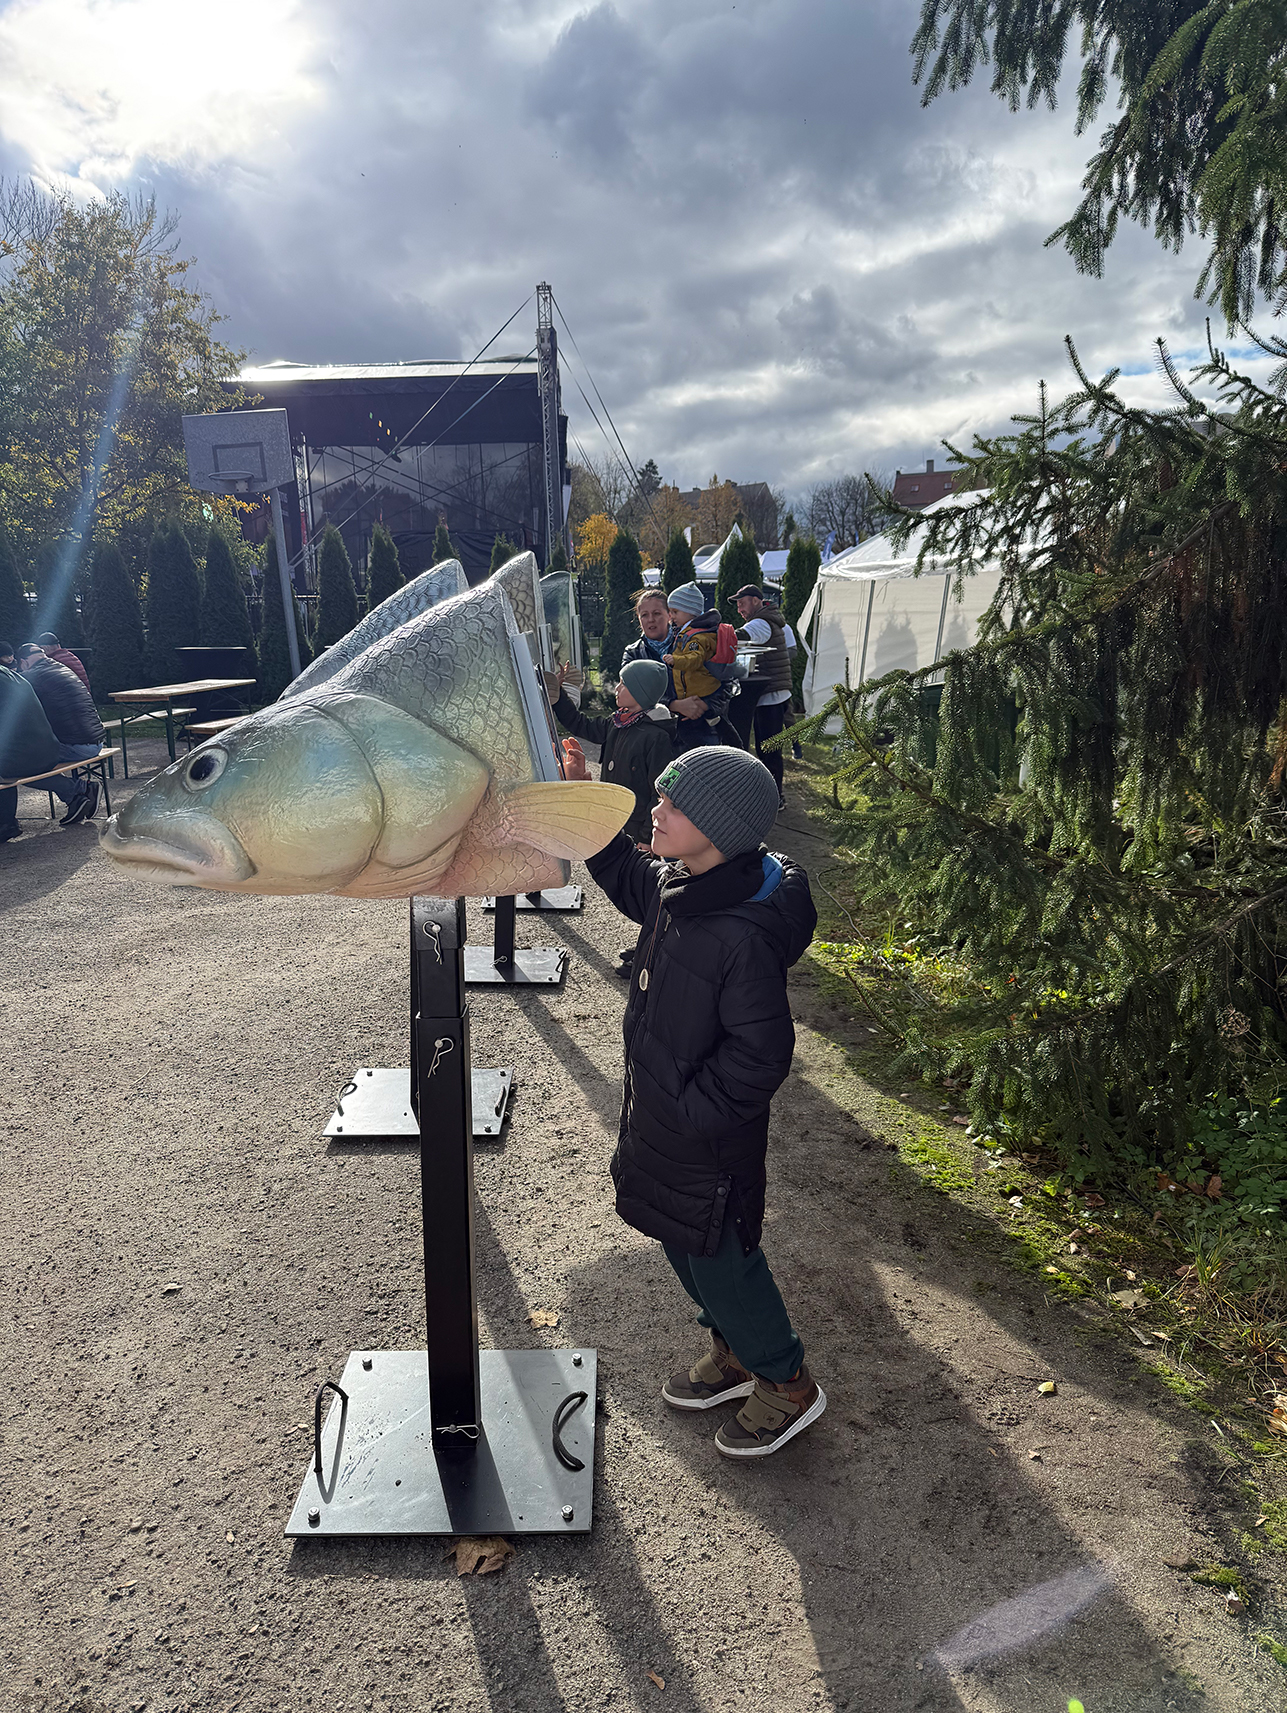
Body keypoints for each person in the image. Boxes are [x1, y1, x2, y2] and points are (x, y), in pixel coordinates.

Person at [584, 745, 825, 1458]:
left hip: (706, 1138)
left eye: (671, 803)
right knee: (677, 1238)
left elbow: (760, 1056)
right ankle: (735, 1351)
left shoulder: (740, 938)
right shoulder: (680, 881)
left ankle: (784, 1380)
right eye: (657, 797)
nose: (653, 809)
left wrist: (692, 1110)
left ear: (717, 829)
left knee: (721, 1255)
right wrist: (588, 822)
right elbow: (632, 875)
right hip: (664, 1118)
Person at [548, 656, 676, 846]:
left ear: (640, 691)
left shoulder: (656, 737)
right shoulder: (617, 722)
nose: (617, 688)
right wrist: (558, 695)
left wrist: (647, 837)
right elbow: (581, 724)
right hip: (613, 819)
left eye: (623, 683)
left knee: (631, 874)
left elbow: (659, 793)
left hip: (637, 829)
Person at [620, 590, 737, 753]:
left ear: (670, 615)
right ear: (639, 620)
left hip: (700, 731)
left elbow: (726, 682)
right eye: (644, 615)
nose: (651, 619)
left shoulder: (693, 640)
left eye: (657, 613)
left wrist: (706, 705)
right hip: (652, 737)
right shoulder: (634, 653)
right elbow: (628, 694)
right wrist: (673, 705)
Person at [16, 641, 104, 824]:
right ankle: (78, 796)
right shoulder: (60, 668)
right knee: (31, 760)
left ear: (23, 662)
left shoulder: (31, 677)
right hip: (95, 741)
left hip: (77, 746)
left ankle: (78, 790)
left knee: (18, 768)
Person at [732, 585, 795, 808]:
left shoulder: (760, 623)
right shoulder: (767, 620)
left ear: (757, 601)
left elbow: (739, 636)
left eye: (742, 602)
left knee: (768, 749)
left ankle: (776, 797)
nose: (739, 608)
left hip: (771, 694)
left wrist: (715, 633)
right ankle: (771, 795)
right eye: (737, 603)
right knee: (767, 747)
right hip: (773, 692)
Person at [0, 640, 60, 842]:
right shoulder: (11, 675)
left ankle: (6, 823)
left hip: (25, 755)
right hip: (49, 748)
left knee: (4, 768)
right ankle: (6, 822)